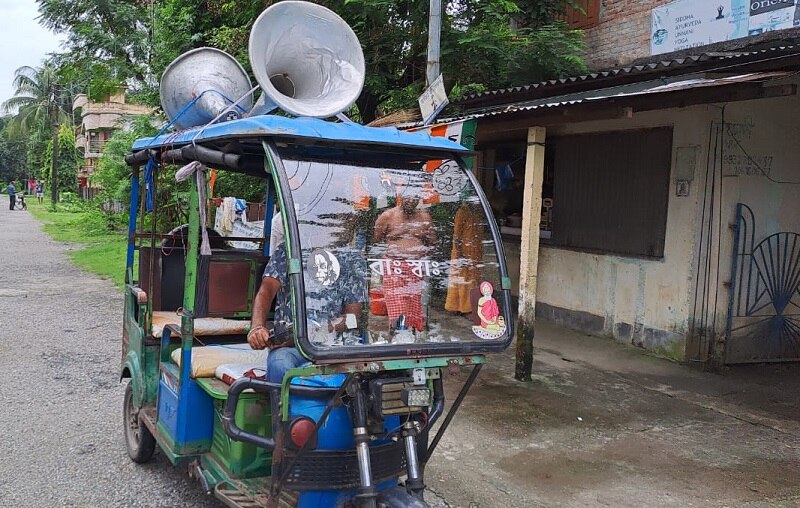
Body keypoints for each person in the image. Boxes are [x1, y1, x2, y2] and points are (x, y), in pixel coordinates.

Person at [247, 241, 367, 383]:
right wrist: (257, 327)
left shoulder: (351, 258)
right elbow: (266, 290)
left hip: (336, 346)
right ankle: (282, 405)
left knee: (363, 375)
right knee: (280, 365)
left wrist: (309, 333)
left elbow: (353, 318)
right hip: (292, 348)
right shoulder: (288, 249)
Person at [373, 194, 436, 331]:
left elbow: (432, 243)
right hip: (394, 266)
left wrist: (419, 257)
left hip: (416, 267)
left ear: (419, 199)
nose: (411, 200)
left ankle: (412, 337)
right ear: (400, 197)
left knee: (415, 308)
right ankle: (398, 336)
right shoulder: (388, 216)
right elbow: (377, 240)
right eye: (407, 197)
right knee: (398, 307)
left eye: (414, 197)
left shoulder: (424, 218)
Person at [445, 200, 484, 316]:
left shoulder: (477, 213)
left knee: (472, 280)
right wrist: (459, 254)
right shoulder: (462, 212)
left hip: (474, 253)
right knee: (462, 281)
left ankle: (464, 307)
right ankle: (464, 308)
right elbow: (456, 235)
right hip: (462, 253)